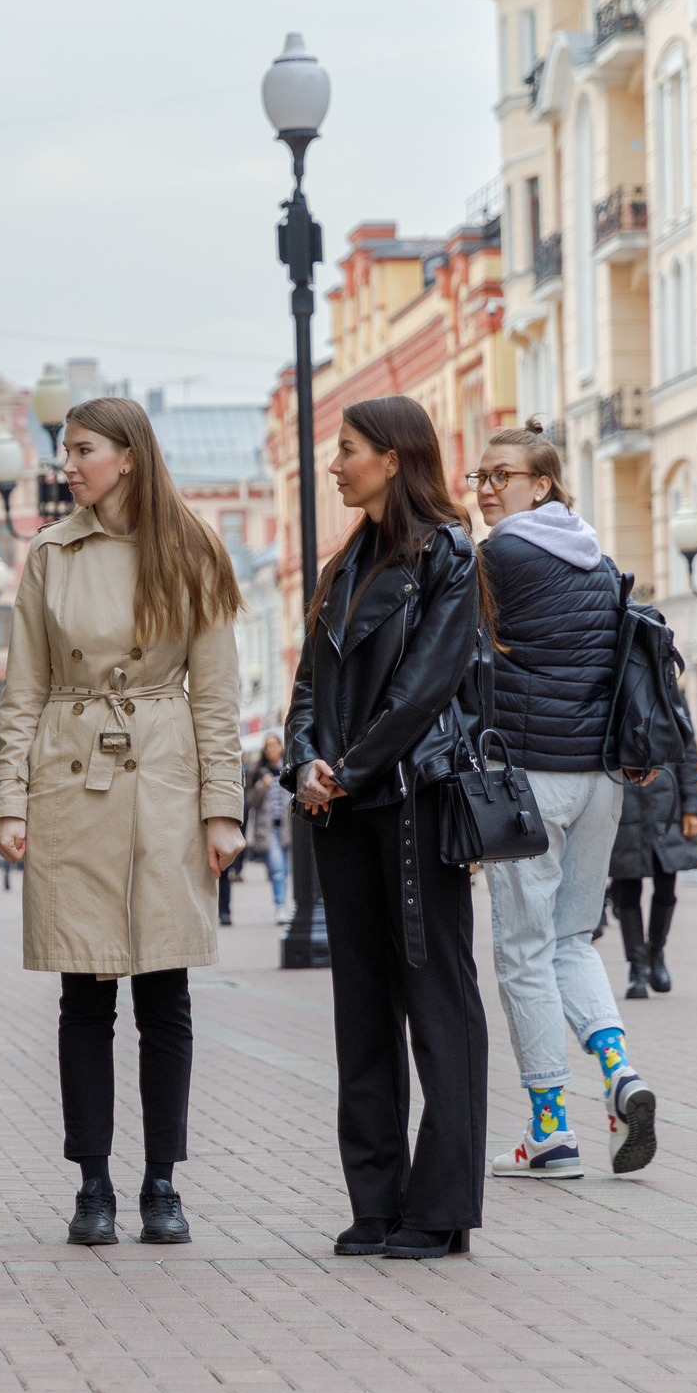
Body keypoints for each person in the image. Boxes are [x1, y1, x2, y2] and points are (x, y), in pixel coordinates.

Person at [0, 396, 243, 1247]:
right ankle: (92, 1183)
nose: (69, 464)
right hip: (72, 772)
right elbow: (20, 689)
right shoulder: (49, 555)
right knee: (84, 988)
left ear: (128, 455)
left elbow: (215, 693)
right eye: (68, 450)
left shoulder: (192, 547)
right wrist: (9, 799)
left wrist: (222, 808)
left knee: (165, 990)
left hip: (165, 776)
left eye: (83, 449)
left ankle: (161, 1182)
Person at [283, 395, 483, 1261]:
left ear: (395, 457)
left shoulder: (449, 552)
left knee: (438, 1007)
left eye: (349, 449)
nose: (335, 464)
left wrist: (347, 768)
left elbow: (428, 687)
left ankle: (440, 1208)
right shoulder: (345, 562)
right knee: (359, 1011)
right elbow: (304, 689)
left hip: (413, 806)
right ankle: (375, 1200)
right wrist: (302, 762)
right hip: (343, 808)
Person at [469, 421, 658, 1182]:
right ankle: (618, 1071)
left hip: (532, 780)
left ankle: (550, 1128)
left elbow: (466, 657)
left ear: (541, 484)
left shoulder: (499, 556)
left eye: (503, 475)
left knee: (521, 952)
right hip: (601, 780)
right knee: (572, 939)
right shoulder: (597, 557)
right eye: (480, 475)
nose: (487, 488)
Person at [609, 759, 697, 999]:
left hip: (666, 808)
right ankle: (637, 969)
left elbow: (688, 761)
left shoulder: (676, 718)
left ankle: (656, 953)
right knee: (628, 888)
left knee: (666, 887)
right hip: (623, 808)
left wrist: (692, 807)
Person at [252, 734, 291, 924]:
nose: (272, 749)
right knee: (278, 869)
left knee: (287, 869)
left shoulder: (289, 768)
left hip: (289, 828)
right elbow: (251, 802)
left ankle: (287, 904)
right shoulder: (260, 772)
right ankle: (281, 906)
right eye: (268, 746)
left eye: (275, 745)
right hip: (270, 830)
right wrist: (262, 786)